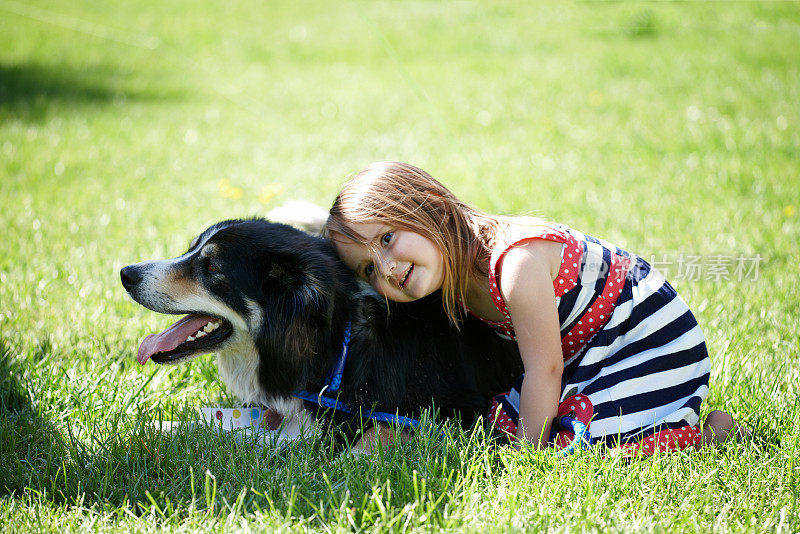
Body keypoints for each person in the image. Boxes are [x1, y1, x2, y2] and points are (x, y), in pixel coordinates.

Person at [326, 161, 740, 455]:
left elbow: (545, 369)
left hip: (647, 342)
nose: (387, 268)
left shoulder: (514, 264)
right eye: (368, 268)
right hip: (589, 353)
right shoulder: (448, 275)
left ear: (430, 204)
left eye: (386, 239)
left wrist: (530, 459)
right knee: (497, 422)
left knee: (588, 448)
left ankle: (711, 435)